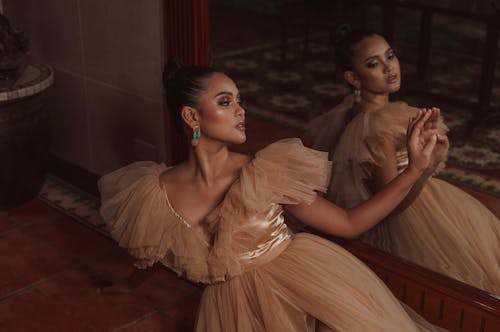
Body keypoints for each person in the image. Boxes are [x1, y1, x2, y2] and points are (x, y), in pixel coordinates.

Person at [98, 57, 445, 331]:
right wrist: (130, 284)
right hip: (233, 309)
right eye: (225, 101)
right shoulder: (155, 192)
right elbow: (151, 249)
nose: (240, 110)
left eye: (239, 100)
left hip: (303, 281)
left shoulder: (265, 170)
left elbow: (350, 223)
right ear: (192, 116)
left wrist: (415, 170)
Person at [305, 25, 500, 295]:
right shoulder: (375, 130)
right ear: (354, 78)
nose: (389, 68)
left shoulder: (351, 108)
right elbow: (391, 209)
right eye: (374, 63)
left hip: (415, 205)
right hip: (402, 224)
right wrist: (425, 168)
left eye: (391, 55)